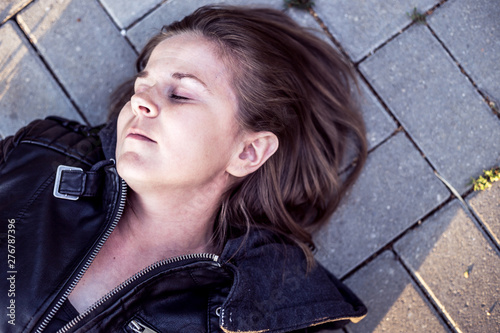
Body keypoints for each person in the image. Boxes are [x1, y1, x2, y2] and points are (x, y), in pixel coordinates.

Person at [0, 5, 367, 332]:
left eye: (180, 94)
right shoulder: (38, 153)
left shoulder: (267, 318)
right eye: (141, 87)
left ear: (249, 152)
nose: (140, 101)